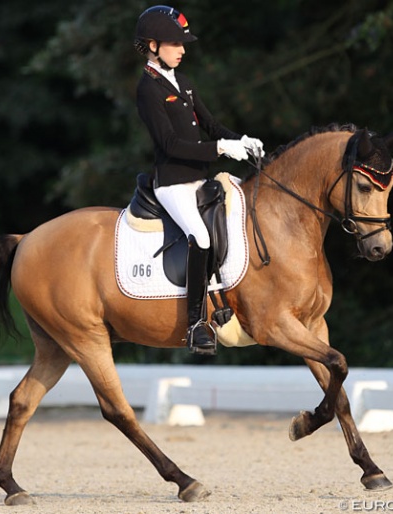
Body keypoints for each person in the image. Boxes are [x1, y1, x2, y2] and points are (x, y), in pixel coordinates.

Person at [134, 5, 264, 354]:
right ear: (152, 45)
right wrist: (220, 148)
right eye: (175, 44)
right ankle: (195, 323)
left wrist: (240, 140)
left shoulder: (184, 83)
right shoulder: (148, 89)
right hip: (173, 184)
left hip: (199, 180)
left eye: (182, 43)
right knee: (202, 238)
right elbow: (170, 144)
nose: (182, 49)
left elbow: (211, 125)